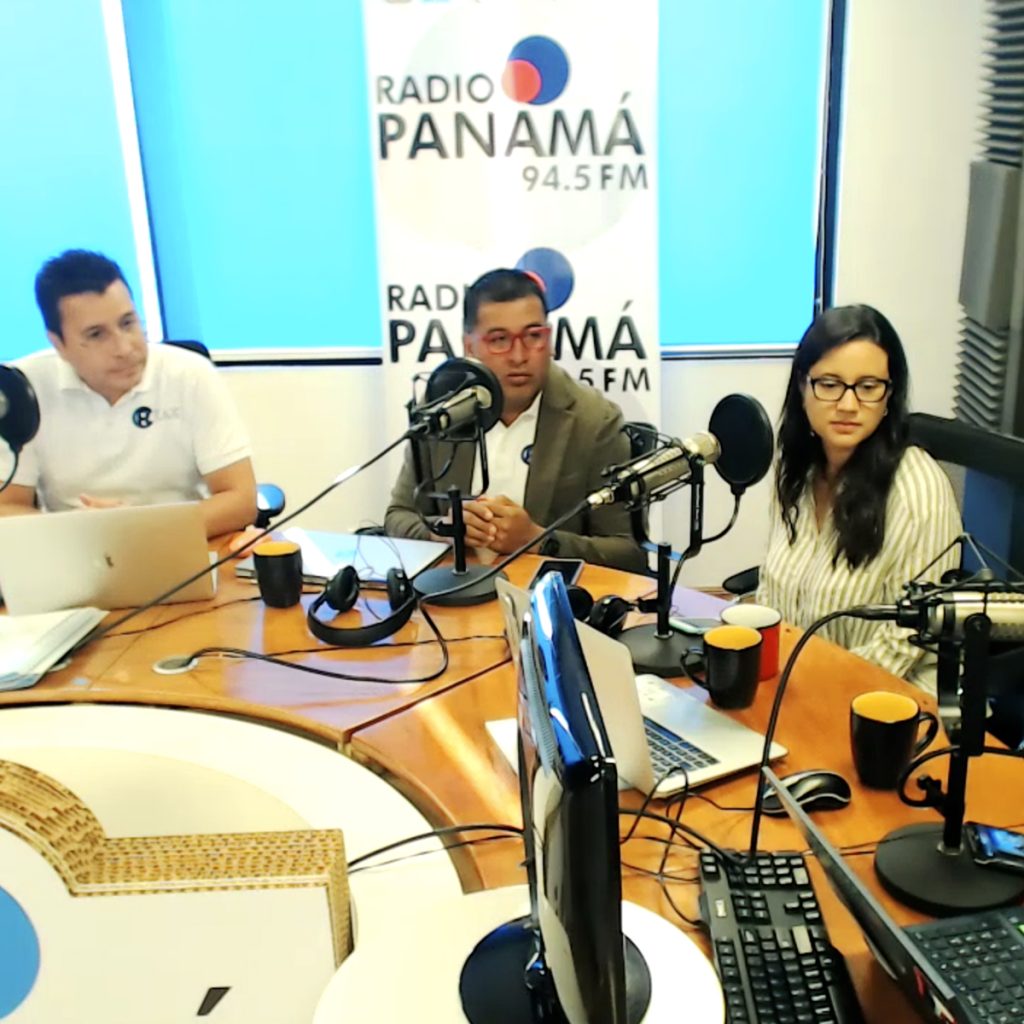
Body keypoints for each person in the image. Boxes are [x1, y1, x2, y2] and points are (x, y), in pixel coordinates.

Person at [385, 268, 647, 574]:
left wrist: (537, 540)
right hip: (454, 591)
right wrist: (442, 532)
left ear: (549, 339)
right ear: (470, 347)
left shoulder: (595, 421)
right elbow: (397, 516)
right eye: (499, 340)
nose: (519, 356)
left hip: (547, 595)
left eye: (533, 336)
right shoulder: (442, 411)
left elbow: (628, 553)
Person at [757, 304, 962, 692]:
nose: (848, 405)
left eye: (868, 387)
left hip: (894, 698)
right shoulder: (797, 468)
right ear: (802, 387)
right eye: (830, 384)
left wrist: (810, 687)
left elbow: (906, 640)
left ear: (889, 396)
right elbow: (773, 591)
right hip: (800, 683)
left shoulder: (919, 490)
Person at [0, 250, 257, 537]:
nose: (124, 348)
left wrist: (134, 530)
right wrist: (85, 530)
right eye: (96, 335)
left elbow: (241, 500)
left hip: (180, 540)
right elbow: (6, 507)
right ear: (59, 344)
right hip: (75, 547)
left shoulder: (190, 374)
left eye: (127, 323)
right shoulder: (23, 389)